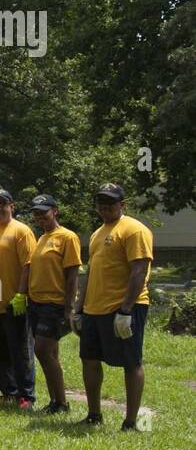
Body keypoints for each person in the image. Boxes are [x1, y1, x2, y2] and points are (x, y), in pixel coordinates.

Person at [75, 183, 152, 430]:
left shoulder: (134, 230)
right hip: (94, 309)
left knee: (131, 362)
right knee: (89, 359)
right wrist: (78, 308)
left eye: (110, 203)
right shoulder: (98, 233)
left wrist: (126, 310)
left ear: (123, 204)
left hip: (124, 308)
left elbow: (139, 270)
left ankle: (131, 421)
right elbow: (90, 272)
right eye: (101, 204)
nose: (105, 208)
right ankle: (94, 414)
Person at [0, 188, 37, 406]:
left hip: (14, 303)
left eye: (2, 204)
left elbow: (29, 265)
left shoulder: (21, 231)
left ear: (12, 206)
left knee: (20, 351)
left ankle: (25, 396)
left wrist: (21, 295)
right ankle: (8, 392)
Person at [26, 194, 80, 413]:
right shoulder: (41, 238)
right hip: (36, 303)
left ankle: (62, 403)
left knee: (42, 351)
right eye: (36, 214)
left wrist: (68, 307)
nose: (40, 217)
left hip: (54, 303)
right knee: (51, 355)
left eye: (44, 213)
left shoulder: (67, 237)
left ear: (55, 211)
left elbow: (73, 273)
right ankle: (55, 401)